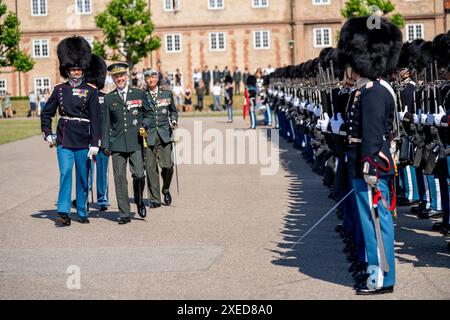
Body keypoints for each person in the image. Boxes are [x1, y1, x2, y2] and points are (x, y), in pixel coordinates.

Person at [337, 16, 403, 294]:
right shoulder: (365, 90)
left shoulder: (374, 92)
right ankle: (375, 273)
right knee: (370, 223)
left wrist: (370, 167)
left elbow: (374, 136)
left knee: (376, 224)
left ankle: (382, 278)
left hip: (370, 168)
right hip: (361, 165)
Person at [40, 36, 101, 226]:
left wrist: (95, 143)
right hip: (64, 139)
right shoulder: (59, 90)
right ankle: (64, 212)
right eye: (73, 69)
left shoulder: (91, 91)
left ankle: (82, 211)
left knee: (83, 177)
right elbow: (46, 113)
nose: (75, 72)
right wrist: (48, 133)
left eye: (78, 69)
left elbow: (96, 119)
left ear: (83, 70)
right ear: (67, 70)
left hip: (83, 140)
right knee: (65, 173)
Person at [102, 62, 154, 224]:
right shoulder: (109, 98)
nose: (120, 79)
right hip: (116, 143)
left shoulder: (138, 93)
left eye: (122, 76)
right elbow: (106, 124)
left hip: (136, 142)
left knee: (139, 174)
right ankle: (124, 213)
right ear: (112, 78)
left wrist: (144, 124)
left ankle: (138, 200)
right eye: (116, 76)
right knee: (119, 178)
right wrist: (105, 145)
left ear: (127, 76)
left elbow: (149, 114)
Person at [143, 69, 178, 207]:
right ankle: (155, 199)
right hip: (149, 135)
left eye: (153, 77)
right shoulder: (142, 96)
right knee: (151, 168)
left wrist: (173, 120)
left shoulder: (167, 93)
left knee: (168, 166)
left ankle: (166, 189)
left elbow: (173, 111)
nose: (151, 80)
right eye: (148, 78)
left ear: (157, 78)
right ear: (145, 80)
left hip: (164, 134)